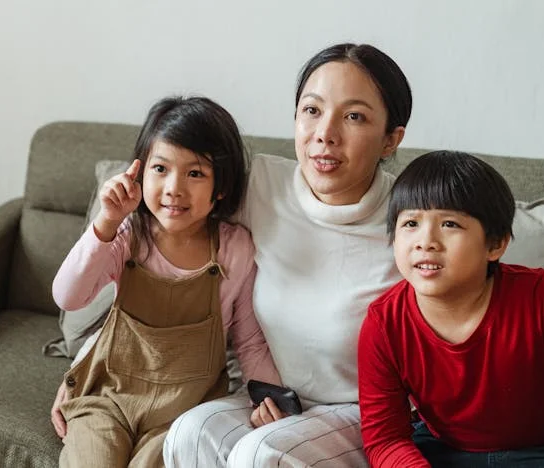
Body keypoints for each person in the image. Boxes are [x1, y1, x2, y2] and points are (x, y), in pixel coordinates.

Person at [163, 43, 412, 467]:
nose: (325, 133)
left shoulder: (411, 220)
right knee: (192, 433)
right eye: (312, 110)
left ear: (391, 139)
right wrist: (96, 369)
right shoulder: (261, 184)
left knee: (263, 456)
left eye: (354, 116)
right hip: (274, 394)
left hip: (365, 412)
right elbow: (162, 241)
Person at [50, 96, 282, 468]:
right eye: (161, 168)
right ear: (140, 174)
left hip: (184, 410)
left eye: (195, 174)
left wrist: (271, 398)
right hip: (108, 400)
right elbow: (68, 296)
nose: (174, 187)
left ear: (220, 187)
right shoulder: (126, 235)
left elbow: (249, 340)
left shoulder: (234, 249)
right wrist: (105, 224)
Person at [357, 150, 544, 467]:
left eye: (450, 223)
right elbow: (386, 438)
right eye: (411, 222)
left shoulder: (538, 296)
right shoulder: (384, 323)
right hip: (444, 449)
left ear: (495, 244)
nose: (425, 241)